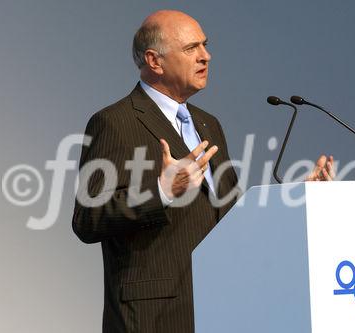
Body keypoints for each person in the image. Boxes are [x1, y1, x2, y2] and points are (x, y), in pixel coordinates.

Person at [72, 10, 334, 333]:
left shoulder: (209, 124)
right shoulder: (115, 123)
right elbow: (88, 218)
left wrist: (295, 196)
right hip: (156, 317)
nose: (206, 56)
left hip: (222, 308)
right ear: (154, 61)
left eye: (205, 45)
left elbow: (231, 215)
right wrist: (162, 191)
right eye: (191, 48)